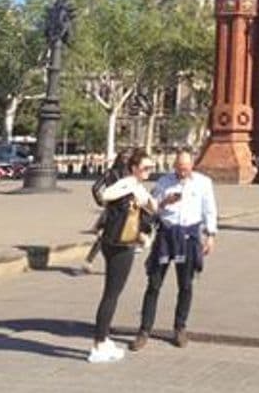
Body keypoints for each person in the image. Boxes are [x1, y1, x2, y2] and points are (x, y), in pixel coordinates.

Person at [131, 150, 218, 351]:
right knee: (154, 284)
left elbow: (209, 209)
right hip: (166, 235)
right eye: (179, 169)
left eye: (185, 169)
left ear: (192, 165)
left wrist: (211, 235)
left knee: (185, 285)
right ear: (174, 166)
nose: (182, 173)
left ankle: (180, 327)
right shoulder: (163, 182)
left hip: (188, 236)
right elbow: (150, 209)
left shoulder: (203, 183)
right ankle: (144, 330)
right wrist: (164, 202)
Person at [89, 149, 158, 364]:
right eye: (145, 168)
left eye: (151, 168)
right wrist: (130, 190)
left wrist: (144, 199)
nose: (149, 172)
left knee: (112, 293)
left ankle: (104, 339)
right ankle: (99, 344)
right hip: (120, 244)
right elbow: (107, 195)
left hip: (116, 241)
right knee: (111, 294)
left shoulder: (136, 186)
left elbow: (153, 206)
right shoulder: (127, 183)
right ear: (133, 168)